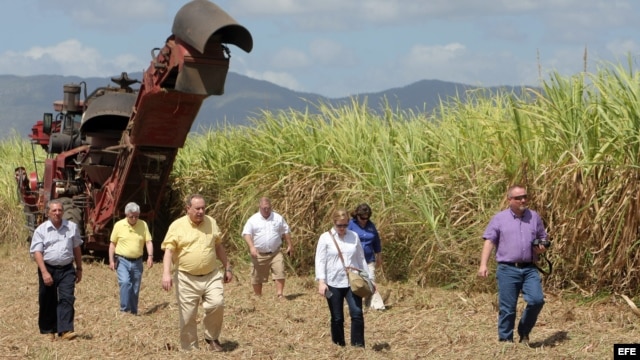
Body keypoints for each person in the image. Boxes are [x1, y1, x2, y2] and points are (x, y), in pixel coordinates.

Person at [161, 194, 233, 352]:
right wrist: (166, 273)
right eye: (197, 208)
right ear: (188, 209)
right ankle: (191, 349)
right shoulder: (177, 226)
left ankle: (212, 338)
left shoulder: (211, 222)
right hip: (186, 278)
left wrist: (227, 266)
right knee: (187, 317)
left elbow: (218, 246)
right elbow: (168, 251)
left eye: (203, 208)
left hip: (211, 275)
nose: (201, 211)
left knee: (217, 304)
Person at [478, 185, 549, 345]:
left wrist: (542, 247)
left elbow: (542, 238)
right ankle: (505, 340)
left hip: (529, 268)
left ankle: (524, 332)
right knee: (508, 308)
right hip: (507, 269)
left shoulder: (534, 217)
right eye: (518, 198)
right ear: (510, 200)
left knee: (537, 300)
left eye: (525, 196)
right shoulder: (499, 219)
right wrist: (483, 265)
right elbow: (489, 241)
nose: (523, 200)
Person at [29, 199, 83, 341]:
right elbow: (37, 252)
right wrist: (44, 272)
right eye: (54, 210)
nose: (57, 213)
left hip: (67, 269)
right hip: (48, 268)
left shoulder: (71, 227)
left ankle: (65, 330)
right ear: (48, 213)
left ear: (63, 212)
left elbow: (76, 248)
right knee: (47, 299)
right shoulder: (41, 230)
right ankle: (49, 330)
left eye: (60, 210)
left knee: (67, 298)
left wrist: (80, 268)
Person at [315, 208, 370, 347]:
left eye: (345, 225)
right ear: (334, 222)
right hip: (333, 282)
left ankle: (358, 346)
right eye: (339, 225)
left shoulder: (354, 236)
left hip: (352, 281)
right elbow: (320, 261)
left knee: (357, 313)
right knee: (337, 317)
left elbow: (360, 258)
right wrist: (322, 282)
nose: (342, 228)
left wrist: (368, 279)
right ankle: (339, 346)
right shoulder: (325, 238)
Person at [242, 197, 293, 298]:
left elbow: (285, 231)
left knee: (280, 271)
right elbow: (246, 233)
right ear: (259, 207)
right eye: (264, 208)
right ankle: (258, 296)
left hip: (275, 252)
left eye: (268, 208)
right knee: (256, 276)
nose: (266, 210)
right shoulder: (253, 220)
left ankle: (280, 294)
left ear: (271, 207)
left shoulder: (278, 218)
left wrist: (290, 245)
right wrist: (252, 247)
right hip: (259, 254)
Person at [108, 202, 153, 315]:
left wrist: (150, 256)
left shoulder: (143, 225)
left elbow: (148, 242)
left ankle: (133, 312)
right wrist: (111, 260)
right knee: (125, 282)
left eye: (136, 216)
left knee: (135, 288)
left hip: (137, 261)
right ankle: (124, 310)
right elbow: (112, 244)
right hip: (122, 260)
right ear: (126, 215)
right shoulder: (119, 225)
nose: (134, 219)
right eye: (131, 216)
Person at [348, 203, 385, 310]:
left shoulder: (371, 226)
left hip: (369, 259)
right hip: (354, 260)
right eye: (362, 218)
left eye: (367, 218)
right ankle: (354, 303)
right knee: (356, 282)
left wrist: (379, 255)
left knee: (371, 281)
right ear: (357, 215)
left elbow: (376, 241)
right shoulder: (351, 225)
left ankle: (375, 305)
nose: (365, 220)